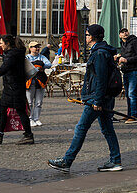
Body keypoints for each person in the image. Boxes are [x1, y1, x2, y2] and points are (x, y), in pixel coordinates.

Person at [47, 24, 122, 174]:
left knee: (81, 128)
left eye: (87, 34)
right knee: (107, 129)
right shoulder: (101, 51)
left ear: (93, 37)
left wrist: (97, 101)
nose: (85, 37)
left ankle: (67, 161)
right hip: (101, 97)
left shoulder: (100, 53)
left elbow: (101, 79)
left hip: (97, 98)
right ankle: (115, 160)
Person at [0, 34, 34, 144]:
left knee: (21, 110)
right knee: (2, 108)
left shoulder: (12, 55)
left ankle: (29, 135)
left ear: (8, 44)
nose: (0, 45)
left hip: (15, 88)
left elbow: (2, 70)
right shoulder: (13, 54)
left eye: (2, 43)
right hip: (11, 87)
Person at [116, 27, 137, 123]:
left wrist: (127, 60)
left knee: (131, 93)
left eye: (126, 31)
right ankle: (129, 114)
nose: (125, 33)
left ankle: (134, 116)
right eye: (122, 32)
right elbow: (127, 54)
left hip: (134, 70)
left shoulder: (134, 41)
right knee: (128, 94)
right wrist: (119, 57)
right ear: (120, 35)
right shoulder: (123, 44)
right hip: (126, 70)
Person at [26, 42, 53, 126]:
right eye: (35, 47)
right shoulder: (26, 57)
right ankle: (30, 119)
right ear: (30, 48)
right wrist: (36, 65)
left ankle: (36, 118)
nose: (37, 48)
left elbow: (49, 64)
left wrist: (41, 66)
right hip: (30, 82)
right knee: (29, 102)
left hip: (40, 82)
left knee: (38, 102)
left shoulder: (42, 57)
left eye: (38, 47)